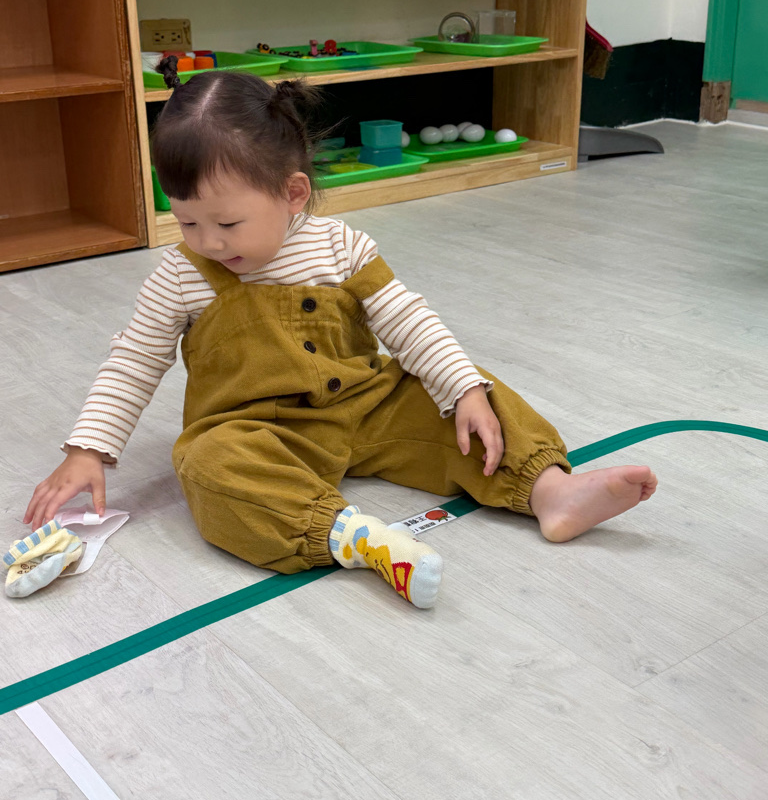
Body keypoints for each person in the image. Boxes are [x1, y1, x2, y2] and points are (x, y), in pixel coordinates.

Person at [23, 62, 658, 609]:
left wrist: (461, 388)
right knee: (205, 463)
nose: (208, 242)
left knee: (473, 394)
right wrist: (89, 450)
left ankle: (550, 491)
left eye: (228, 223)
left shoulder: (341, 247)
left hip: (365, 405)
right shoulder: (181, 276)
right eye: (187, 222)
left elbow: (407, 320)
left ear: (293, 193)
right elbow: (133, 361)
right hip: (255, 430)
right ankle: (350, 536)